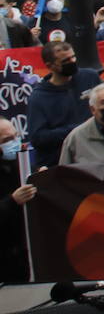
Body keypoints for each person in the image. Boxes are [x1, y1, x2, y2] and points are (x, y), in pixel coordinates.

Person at [27, 39, 104, 169]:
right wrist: (78, 130)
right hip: (60, 163)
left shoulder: (90, 77)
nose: (72, 62)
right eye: (65, 61)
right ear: (50, 66)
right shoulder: (39, 97)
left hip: (95, 157)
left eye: (73, 57)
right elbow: (38, 138)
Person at [1, 117, 37, 283]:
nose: (15, 142)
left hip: (28, 252)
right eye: (7, 140)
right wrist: (13, 201)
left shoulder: (21, 163)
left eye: (16, 136)